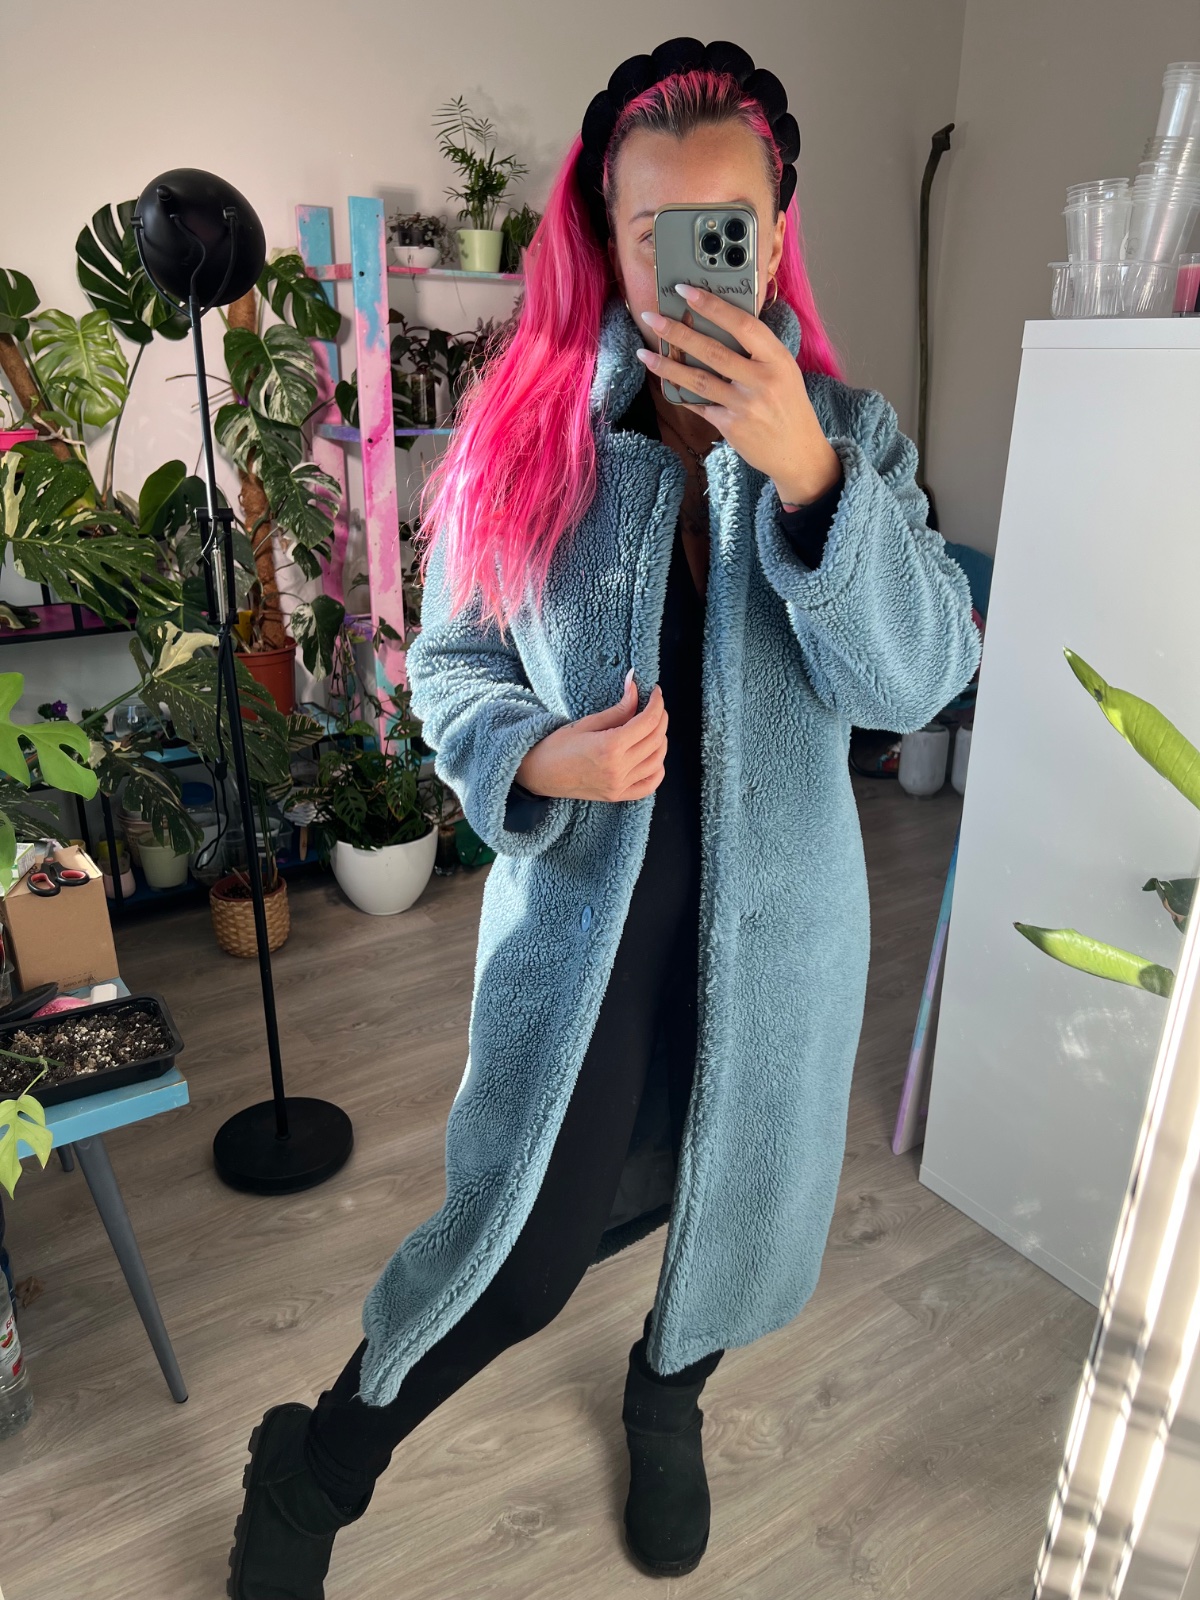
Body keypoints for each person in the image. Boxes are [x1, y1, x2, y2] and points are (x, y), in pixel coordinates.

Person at [227, 37, 982, 1600]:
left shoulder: (854, 437)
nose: (694, 265)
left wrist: (810, 479)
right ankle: (322, 1458)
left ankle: (666, 1394)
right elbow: (449, 664)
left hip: (782, 939)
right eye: (657, 234)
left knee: (736, 1217)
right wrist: (541, 755)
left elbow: (919, 682)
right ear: (606, 236)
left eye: (728, 227)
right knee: (518, 1249)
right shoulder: (532, 434)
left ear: (776, 230)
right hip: (586, 930)